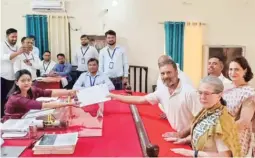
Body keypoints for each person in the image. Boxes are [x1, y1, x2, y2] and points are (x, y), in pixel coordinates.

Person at [108, 58, 202, 132]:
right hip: (177, 134)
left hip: (191, 138)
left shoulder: (190, 92)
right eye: (162, 73)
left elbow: (201, 120)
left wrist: (181, 135)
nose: (165, 76)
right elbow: (140, 100)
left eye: (169, 72)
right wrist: (114, 96)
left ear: (176, 72)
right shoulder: (162, 91)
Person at [169, 76, 241, 157]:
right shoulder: (207, 110)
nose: (202, 97)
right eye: (200, 92)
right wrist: (185, 140)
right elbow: (203, 134)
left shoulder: (222, 121)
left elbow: (224, 156)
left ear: (220, 95)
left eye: (207, 93)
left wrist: (192, 153)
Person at [4, 70, 78, 119]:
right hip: (13, 124)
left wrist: (69, 92)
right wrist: (69, 103)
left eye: (29, 80)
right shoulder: (15, 98)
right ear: (16, 82)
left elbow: (48, 93)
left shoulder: (32, 89)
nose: (26, 83)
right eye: (23, 81)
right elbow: (43, 105)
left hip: (25, 118)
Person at [223, 56, 255, 156]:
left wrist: (222, 132)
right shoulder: (227, 89)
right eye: (231, 69)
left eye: (237, 69)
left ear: (245, 71)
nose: (232, 72)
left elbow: (244, 122)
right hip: (222, 135)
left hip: (237, 137)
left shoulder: (249, 93)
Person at [1, 28, 25, 117]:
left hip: (13, 77)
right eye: (12, 37)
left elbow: (20, 58)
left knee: (11, 98)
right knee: (2, 99)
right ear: (7, 36)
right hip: (3, 76)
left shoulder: (17, 46)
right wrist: (18, 53)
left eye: (16, 37)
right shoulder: (2, 45)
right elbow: (4, 57)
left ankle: (10, 116)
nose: (14, 39)